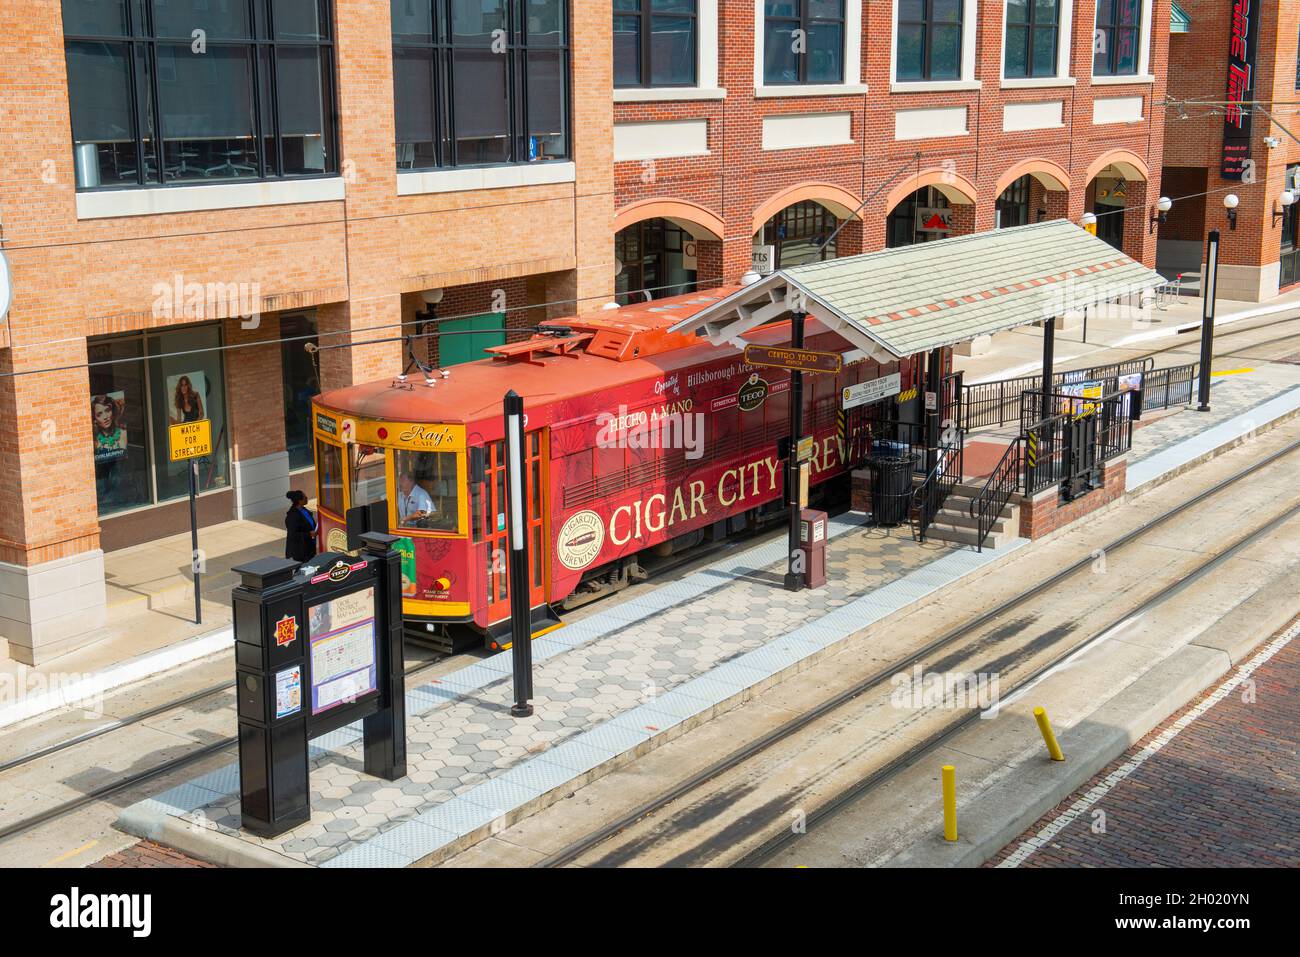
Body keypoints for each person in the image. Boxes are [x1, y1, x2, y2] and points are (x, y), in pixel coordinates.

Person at [284, 490, 317, 562]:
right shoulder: (293, 516)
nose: (307, 498)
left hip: (308, 549)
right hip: (300, 553)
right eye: (305, 497)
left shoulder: (304, 510)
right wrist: (309, 534)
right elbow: (293, 535)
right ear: (299, 501)